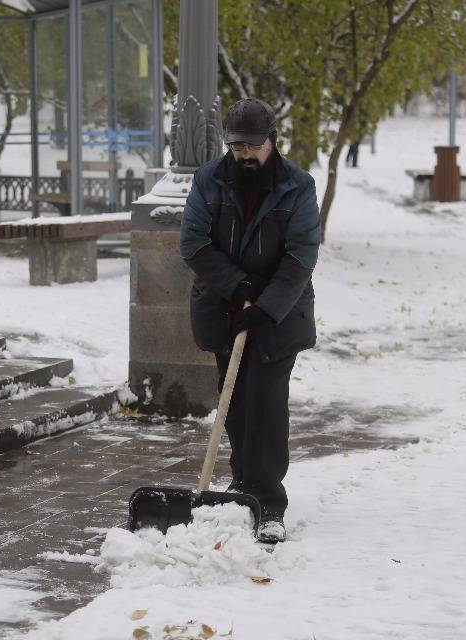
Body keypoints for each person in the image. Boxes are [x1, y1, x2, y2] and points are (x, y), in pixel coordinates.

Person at [179, 98, 321, 544]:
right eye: (237, 146)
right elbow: (194, 243)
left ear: (271, 141)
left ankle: (269, 499)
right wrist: (239, 288)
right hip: (225, 306)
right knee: (235, 402)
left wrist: (264, 304)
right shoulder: (209, 180)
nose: (244, 154)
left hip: (280, 311)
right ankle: (244, 486)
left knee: (266, 403)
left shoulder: (298, 186)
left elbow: (301, 256)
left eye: (253, 146)